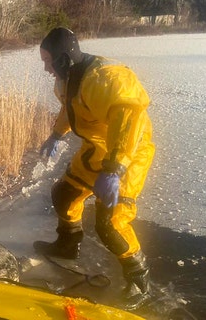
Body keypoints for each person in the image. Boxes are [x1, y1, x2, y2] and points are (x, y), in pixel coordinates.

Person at [34, 27, 156, 311]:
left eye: (47, 61)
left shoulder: (107, 79)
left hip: (129, 153)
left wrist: (115, 169)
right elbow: (69, 108)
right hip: (98, 149)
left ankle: (139, 278)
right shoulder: (67, 80)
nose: (45, 68)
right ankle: (68, 244)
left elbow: (128, 120)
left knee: (110, 223)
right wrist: (57, 134)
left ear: (63, 60)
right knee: (64, 194)